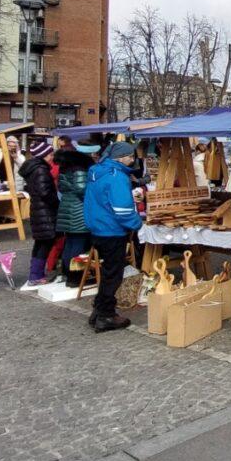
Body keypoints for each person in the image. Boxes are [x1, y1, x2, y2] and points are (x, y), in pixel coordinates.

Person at [83, 142, 142, 332]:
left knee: (109, 271)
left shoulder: (97, 172)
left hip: (98, 228)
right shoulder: (116, 177)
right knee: (113, 275)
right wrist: (137, 223)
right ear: (120, 157)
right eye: (130, 156)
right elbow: (122, 210)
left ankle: (99, 309)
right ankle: (106, 315)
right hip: (112, 230)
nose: (132, 160)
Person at [18, 139, 60, 290]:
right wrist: (56, 201)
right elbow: (45, 192)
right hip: (45, 212)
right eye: (50, 154)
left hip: (38, 210)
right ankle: (35, 276)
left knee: (41, 243)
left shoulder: (34, 168)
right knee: (45, 242)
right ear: (44, 155)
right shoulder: (41, 170)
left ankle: (35, 274)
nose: (52, 157)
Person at [54, 144, 95, 285]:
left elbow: (63, 188)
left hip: (67, 208)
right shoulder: (80, 169)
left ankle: (67, 273)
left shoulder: (64, 169)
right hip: (78, 211)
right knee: (78, 245)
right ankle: (75, 277)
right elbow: (82, 190)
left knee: (70, 243)